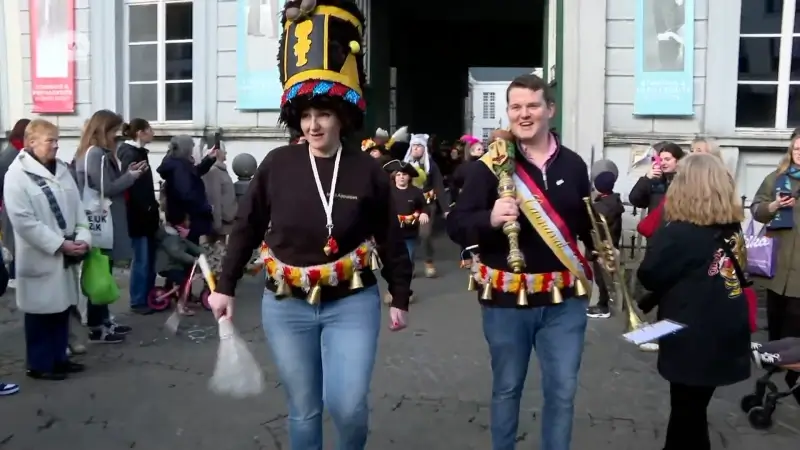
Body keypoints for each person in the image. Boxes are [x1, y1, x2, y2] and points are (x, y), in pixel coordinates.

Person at [208, 1, 412, 449]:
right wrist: (224, 286)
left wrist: (400, 294)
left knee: (349, 405)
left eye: (323, 114)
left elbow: (391, 237)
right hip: (286, 307)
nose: (314, 124)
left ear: (342, 116)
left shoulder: (366, 171)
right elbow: (246, 225)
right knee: (304, 410)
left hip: (352, 302)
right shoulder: (278, 164)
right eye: (306, 115)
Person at [446, 73, 594, 450]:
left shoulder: (574, 166)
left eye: (532, 106)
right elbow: (456, 224)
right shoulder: (489, 167)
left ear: (550, 110)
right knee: (507, 389)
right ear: (508, 112)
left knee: (562, 393)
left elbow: (583, 230)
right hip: (506, 303)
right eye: (516, 107)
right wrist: (490, 219)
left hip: (564, 302)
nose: (523, 114)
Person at [637, 153, 751, 450]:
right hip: (726, 328)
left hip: (690, 333)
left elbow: (650, 275)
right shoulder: (731, 226)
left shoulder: (679, 232)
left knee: (686, 411)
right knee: (694, 410)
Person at [4, 119, 91, 380]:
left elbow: (78, 208)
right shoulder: (16, 175)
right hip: (41, 255)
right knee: (41, 313)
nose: (56, 145)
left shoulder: (62, 170)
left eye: (57, 140)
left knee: (62, 308)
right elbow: (23, 220)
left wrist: (83, 237)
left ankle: (59, 358)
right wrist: (59, 244)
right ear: (31, 143)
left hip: (66, 252)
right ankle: (40, 365)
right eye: (50, 140)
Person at [74, 110, 141, 344]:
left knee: (104, 271)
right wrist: (131, 176)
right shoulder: (95, 155)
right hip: (102, 223)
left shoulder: (96, 153)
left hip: (105, 221)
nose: (117, 135)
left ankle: (104, 320)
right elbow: (106, 188)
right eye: (114, 130)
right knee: (100, 273)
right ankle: (97, 325)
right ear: (104, 130)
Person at [750, 133, 800, 403]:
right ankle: (772, 375)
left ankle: (791, 381)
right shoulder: (776, 178)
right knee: (776, 327)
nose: (798, 153)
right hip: (777, 270)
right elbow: (757, 209)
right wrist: (774, 205)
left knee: (795, 333)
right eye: (796, 148)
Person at [118, 118, 159, 315]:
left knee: (147, 257)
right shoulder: (130, 154)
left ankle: (146, 296)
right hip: (138, 216)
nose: (153, 133)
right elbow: (131, 187)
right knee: (141, 258)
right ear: (140, 132)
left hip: (145, 214)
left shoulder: (138, 152)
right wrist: (148, 208)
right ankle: (138, 299)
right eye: (150, 130)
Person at [403, 133, 451, 277]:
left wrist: (446, 209)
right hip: (408, 205)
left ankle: (428, 261)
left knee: (425, 234)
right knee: (407, 237)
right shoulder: (404, 165)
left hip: (427, 204)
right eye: (414, 146)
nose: (416, 149)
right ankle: (408, 265)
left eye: (419, 146)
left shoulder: (431, 165)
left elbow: (439, 186)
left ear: (424, 148)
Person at [383, 159, 429, 304]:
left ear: (409, 177)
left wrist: (424, 213)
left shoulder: (416, 192)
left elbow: (424, 206)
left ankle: (404, 292)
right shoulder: (387, 191)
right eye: (398, 175)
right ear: (394, 177)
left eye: (404, 174)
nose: (401, 177)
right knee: (390, 264)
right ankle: (392, 290)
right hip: (390, 234)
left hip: (409, 235)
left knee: (406, 263)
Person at [156, 135, 216, 244]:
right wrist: (205, 208)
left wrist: (209, 159)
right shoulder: (179, 166)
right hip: (187, 219)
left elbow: (195, 173)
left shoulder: (176, 162)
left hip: (182, 216)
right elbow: (186, 194)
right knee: (190, 249)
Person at [586, 170, 625, 319]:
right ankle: (604, 303)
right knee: (603, 277)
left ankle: (603, 306)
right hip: (610, 244)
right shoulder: (613, 201)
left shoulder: (601, 207)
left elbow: (591, 226)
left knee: (602, 277)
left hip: (602, 247)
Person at [0, 118, 32, 289]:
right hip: (8, 205)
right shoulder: (12, 155)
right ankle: (13, 275)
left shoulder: (17, 151)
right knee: (13, 242)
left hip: (12, 203)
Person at [155, 214, 204, 316]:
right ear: (180, 224)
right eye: (187, 220)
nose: (189, 223)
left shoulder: (177, 236)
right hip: (167, 266)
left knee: (181, 276)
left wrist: (203, 252)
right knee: (183, 282)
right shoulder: (171, 238)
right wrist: (193, 259)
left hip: (173, 265)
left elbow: (190, 246)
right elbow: (177, 252)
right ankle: (181, 306)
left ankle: (171, 294)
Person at [450, 136, 485, 268]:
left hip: (481, 201)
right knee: (465, 228)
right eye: (478, 149)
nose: (481, 151)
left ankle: (478, 255)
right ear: (470, 151)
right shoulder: (463, 167)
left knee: (478, 228)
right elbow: (455, 182)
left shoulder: (486, 166)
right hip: (466, 201)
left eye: (482, 149)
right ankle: (465, 256)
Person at [629, 141, 686, 214]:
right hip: (656, 224)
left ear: (678, 161)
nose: (663, 163)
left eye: (667, 159)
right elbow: (636, 200)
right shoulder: (655, 181)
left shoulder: (686, 181)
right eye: (661, 160)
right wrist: (646, 178)